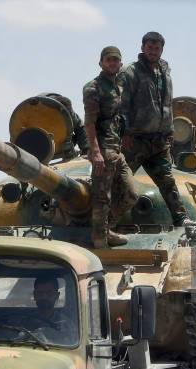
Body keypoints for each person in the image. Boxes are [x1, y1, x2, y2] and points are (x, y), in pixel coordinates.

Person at [118, 32, 196, 228]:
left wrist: (169, 130)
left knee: (167, 182)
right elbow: (122, 105)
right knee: (119, 182)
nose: (153, 51)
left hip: (159, 141)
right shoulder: (130, 72)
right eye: (150, 47)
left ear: (162, 50)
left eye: (157, 48)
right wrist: (125, 132)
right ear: (143, 48)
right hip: (136, 140)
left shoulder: (164, 72)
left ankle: (181, 218)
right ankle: (108, 222)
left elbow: (167, 104)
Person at [83, 46, 138, 248]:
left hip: (116, 149)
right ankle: (99, 240)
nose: (112, 63)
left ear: (120, 64)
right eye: (108, 60)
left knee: (131, 194)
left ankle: (106, 228)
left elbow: (118, 117)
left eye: (116, 60)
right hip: (103, 149)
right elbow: (89, 123)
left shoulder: (118, 86)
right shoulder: (93, 88)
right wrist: (95, 152)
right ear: (101, 63)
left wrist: (125, 135)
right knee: (102, 197)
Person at [41, 92, 89, 159]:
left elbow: (81, 128)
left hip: (63, 144)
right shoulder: (36, 111)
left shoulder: (68, 113)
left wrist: (86, 150)